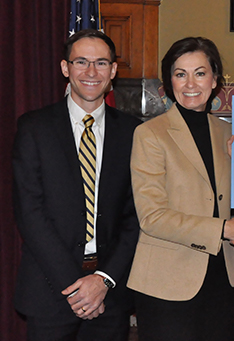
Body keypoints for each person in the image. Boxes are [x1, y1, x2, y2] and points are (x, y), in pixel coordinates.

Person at [127, 37, 234, 341]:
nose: (191, 83)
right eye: (180, 74)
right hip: (166, 283)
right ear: (169, 82)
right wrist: (225, 229)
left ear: (215, 80)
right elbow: (152, 217)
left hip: (219, 280)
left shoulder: (230, 133)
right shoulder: (149, 134)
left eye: (200, 73)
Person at [12, 29, 141, 341]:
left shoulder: (133, 133)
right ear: (65, 68)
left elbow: (136, 215)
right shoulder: (34, 127)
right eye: (81, 62)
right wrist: (77, 288)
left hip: (110, 293)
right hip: (49, 290)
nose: (91, 72)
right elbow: (30, 212)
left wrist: (101, 281)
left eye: (101, 63)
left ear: (113, 71)